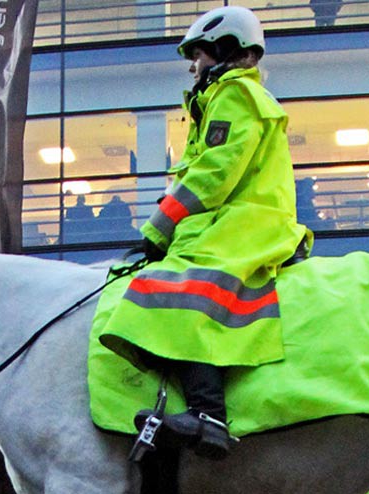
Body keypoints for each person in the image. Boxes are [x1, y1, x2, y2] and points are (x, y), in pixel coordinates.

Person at [99, 4, 313, 461]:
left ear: (224, 50)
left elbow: (213, 175)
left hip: (246, 220)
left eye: (197, 56)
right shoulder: (217, 101)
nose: (193, 67)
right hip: (230, 218)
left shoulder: (234, 96)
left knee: (180, 289)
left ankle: (208, 414)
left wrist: (158, 229)